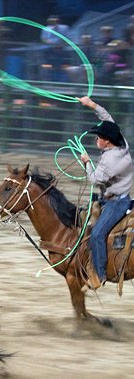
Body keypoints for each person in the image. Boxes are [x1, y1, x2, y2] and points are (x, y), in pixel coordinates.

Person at [77, 96, 134, 290]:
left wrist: (86, 162)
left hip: (117, 202)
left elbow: (94, 179)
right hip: (114, 197)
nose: (97, 139)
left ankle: (99, 275)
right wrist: (91, 104)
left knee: (97, 234)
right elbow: (107, 118)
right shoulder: (121, 143)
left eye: (99, 137)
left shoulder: (110, 160)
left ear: (107, 142)